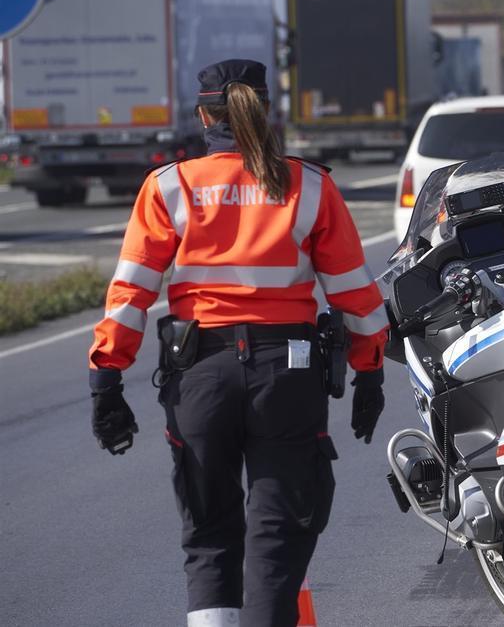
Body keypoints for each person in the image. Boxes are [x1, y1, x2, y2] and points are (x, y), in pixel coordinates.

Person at [87, 59, 390, 626]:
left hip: (199, 377)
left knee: (209, 536)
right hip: (289, 378)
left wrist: (107, 376)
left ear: (205, 115)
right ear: (266, 111)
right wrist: (369, 370)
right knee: (278, 540)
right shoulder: (308, 185)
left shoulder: (169, 186)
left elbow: (130, 293)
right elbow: (355, 295)